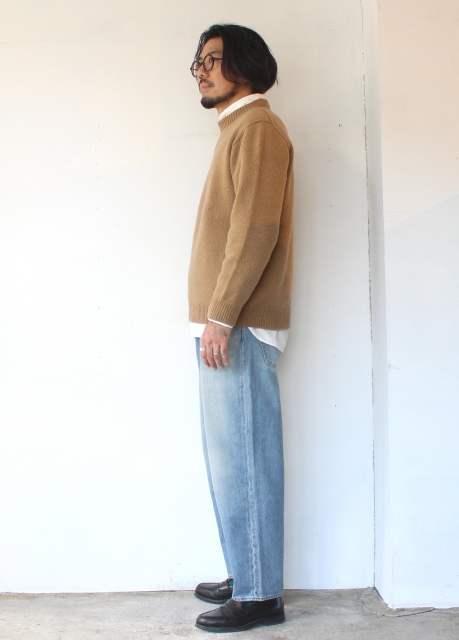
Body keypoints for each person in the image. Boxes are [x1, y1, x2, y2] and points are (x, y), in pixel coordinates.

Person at [187, 24, 294, 633]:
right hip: (226, 322)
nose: (201, 71)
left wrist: (221, 315)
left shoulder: (257, 129)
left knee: (246, 456)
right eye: (197, 63)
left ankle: (259, 594)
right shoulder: (238, 129)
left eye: (212, 59)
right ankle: (246, 568)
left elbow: (255, 230)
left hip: (240, 324)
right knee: (229, 459)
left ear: (245, 64)